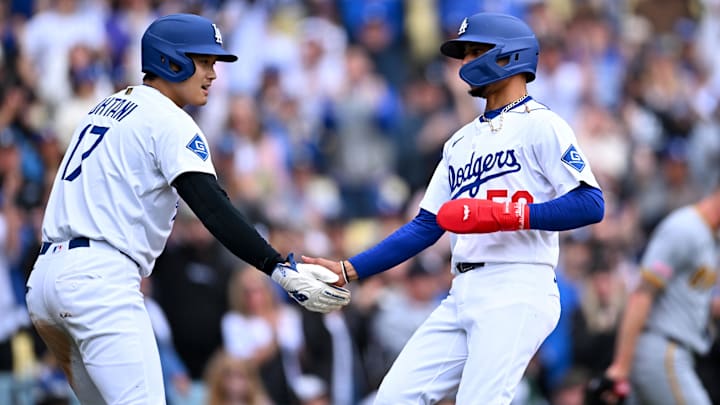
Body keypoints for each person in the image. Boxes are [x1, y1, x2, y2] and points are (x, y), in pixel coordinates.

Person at [24, 13, 349, 404]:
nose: (213, 74)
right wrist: (275, 265)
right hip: (99, 281)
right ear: (171, 60)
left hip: (47, 279)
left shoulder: (103, 107)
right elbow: (211, 206)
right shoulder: (170, 119)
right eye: (205, 61)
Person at [303, 12, 604, 404]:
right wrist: (350, 268)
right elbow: (426, 226)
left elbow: (590, 203)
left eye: (475, 51)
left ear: (509, 56)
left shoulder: (542, 125)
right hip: (461, 290)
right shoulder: (459, 142)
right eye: (463, 53)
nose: (464, 63)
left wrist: (512, 215)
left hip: (517, 283)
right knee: (392, 399)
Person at [590, 187, 720, 405]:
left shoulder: (709, 237)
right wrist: (621, 365)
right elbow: (642, 294)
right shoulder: (685, 229)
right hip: (662, 350)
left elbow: (692, 300)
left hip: (675, 350)